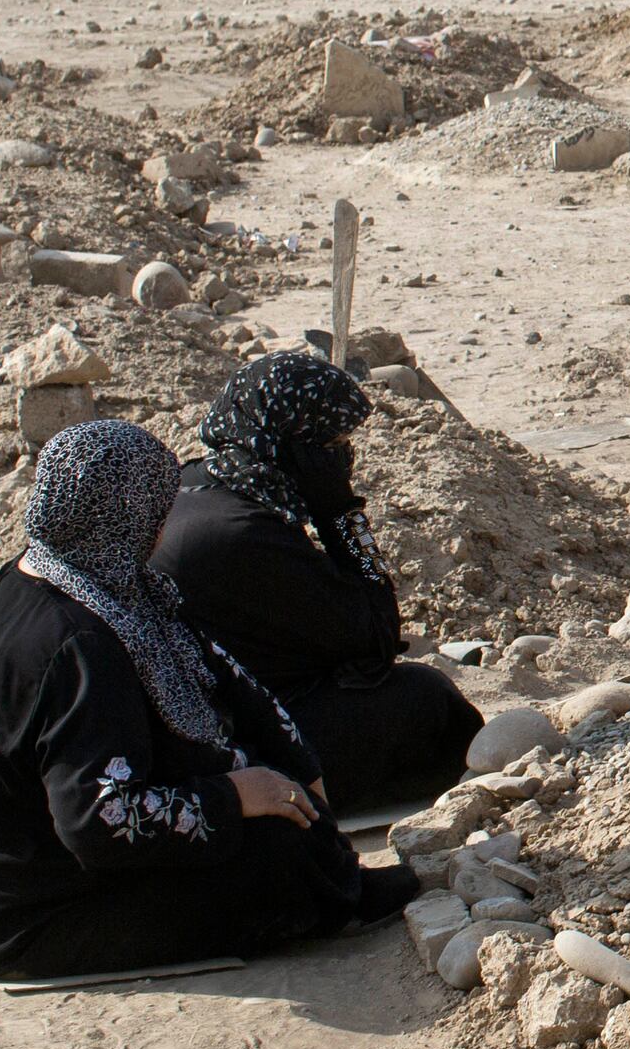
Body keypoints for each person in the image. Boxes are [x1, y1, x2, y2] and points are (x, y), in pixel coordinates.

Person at [0, 420, 408, 983]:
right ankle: (334, 894)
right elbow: (97, 821)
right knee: (276, 852)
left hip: (28, 879)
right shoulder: (79, 644)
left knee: (279, 799)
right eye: (157, 514)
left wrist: (297, 767)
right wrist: (232, 795)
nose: (164, 529)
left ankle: (327, 870)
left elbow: (228, 679)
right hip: (29, 916)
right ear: (124, 519)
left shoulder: (78, 579)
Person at [154, 349, 483, 816]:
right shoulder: (244, 533)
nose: (342, 457)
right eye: (331, 444)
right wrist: (340, 514)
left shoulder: (195, 483)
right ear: (294, 443)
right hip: (234, 752)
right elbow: (377, 636)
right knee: (426, 699)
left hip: (197, 719)